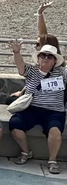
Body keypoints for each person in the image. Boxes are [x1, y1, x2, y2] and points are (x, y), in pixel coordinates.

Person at [6, 41, 65, 173]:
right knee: (15, 124)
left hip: (54, 111)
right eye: (43, 55)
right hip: (32, 108)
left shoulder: (61, 73)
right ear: (38, 57)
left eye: (49, 56)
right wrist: (17, 52)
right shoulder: (32, 70)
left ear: (55, 61)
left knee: (55, 131)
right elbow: (21, 67)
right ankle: (26, 151)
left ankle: (52, 160)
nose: (45, 58)